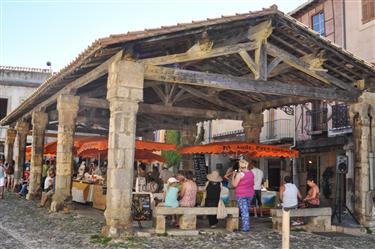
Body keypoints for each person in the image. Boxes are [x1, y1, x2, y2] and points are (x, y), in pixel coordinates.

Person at [232, 159, 254, 232]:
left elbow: (234, 185)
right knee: (246, 210)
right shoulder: (251, 173)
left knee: (244, 211)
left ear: (240, 166)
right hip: (250, 194)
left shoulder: (240, 174)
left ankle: (245, 227)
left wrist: (233, 176)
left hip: (241, 194)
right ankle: (245, 225)